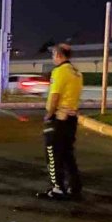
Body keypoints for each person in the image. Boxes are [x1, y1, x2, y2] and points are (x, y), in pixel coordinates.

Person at [37, 43, 83, 200]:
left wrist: (49, 115)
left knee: (52, 153)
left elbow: (55, 95)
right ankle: (74, 186)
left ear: (58, 55)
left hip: (59, 118)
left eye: (53, 55)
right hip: (71, 118)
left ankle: (57, 188)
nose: (52, 58)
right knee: (67, 153)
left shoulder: (59, 72)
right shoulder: (76, 72)